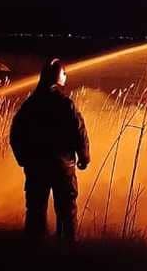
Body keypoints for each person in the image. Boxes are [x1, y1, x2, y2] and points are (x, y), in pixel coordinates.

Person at [9, 59, 90, 245]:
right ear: (59, 77)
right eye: (64, 74)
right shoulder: (66, 104)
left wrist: (23, 159)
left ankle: (34, 249)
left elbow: (15, 134)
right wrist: (84, 157)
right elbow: (79, 132)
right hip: (63, 167)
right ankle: (68, 249)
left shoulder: (29, 105)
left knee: (35, 210)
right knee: (67, 210)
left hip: (36, 167)